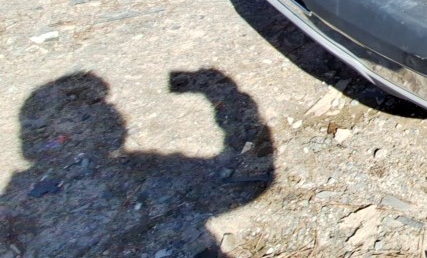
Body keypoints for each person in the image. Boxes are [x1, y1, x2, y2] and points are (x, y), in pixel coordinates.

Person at [1, 70, 273, 257]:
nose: (111, 111)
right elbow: (248, 187)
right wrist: (224, 92)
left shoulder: (18, 195)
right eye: (98, 106)